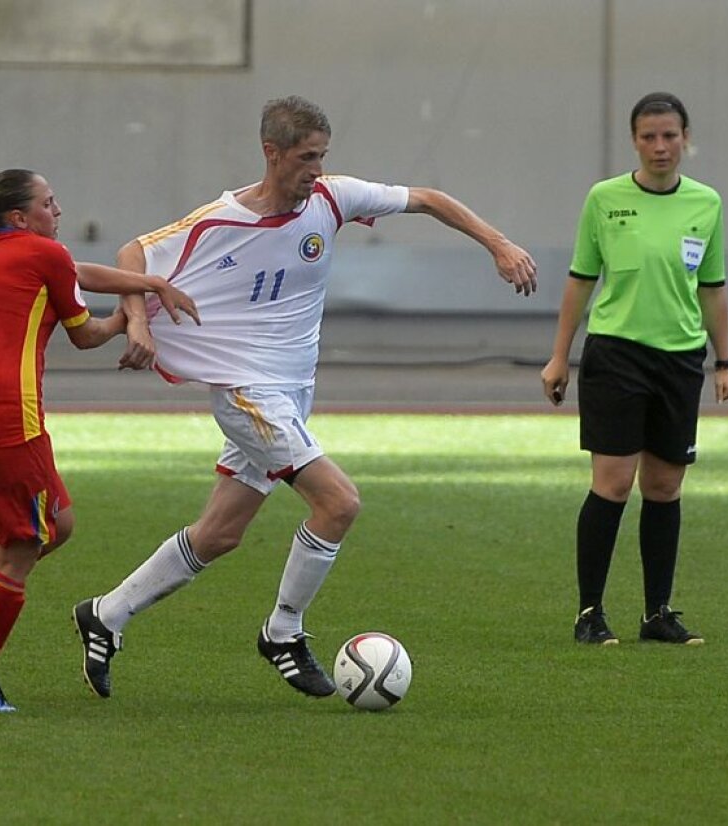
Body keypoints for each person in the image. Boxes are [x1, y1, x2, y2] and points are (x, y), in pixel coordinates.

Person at [72, 95, 538, 700]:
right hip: (247, 394)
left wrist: (499, 245)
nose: (316, 169)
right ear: (272, 153)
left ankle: (105, 615)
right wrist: (136, 322)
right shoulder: (221, 219)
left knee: (219, 534)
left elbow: (428, 199)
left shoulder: (332, 198)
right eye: (305, 157)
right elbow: (134, 254)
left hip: (291, 394)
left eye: (322, 156)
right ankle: (283, 631)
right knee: (339, 504)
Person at [0, 168, 198, 712]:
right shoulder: (44, 257)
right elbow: (86, 335)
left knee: (56, 525)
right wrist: (127, 321)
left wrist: (149, 285)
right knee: (20, 547)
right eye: (49, 202)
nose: (58, 209)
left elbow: (77, 270)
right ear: (22, 216)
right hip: (6, 424)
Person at [541, 92, 728, 647]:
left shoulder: (707, 203)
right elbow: (580, 279)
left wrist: (723, 363)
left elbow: (713, 289)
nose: (660, 146)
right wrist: (560, 356)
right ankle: (589, 614)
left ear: (685, 139)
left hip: (680, 360)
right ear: (634, 140)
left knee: (664, 485)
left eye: (670, 135)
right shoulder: (605, 199)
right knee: (612, 483)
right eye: (649, 136)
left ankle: (657, 614)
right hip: (616, 356)